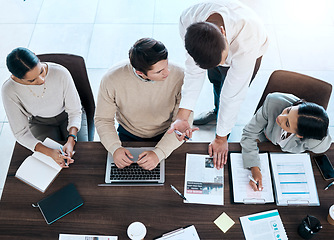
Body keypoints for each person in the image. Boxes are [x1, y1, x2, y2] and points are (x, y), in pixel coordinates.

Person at [168, 0, 269, 169]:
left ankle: (223, 126)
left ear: (223, 32)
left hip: (252, 50)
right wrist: (182, 116)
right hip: (216, 50)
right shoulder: (187, 20)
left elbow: (233, 95)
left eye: (221, 61)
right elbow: (193, 72)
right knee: (215, 81)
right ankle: (217, 112)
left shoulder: (247, 39)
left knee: (227, 91)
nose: (220, 66)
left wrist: (221, 138)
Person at [94, 38, 189, 170]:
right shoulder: (111, 79)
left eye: (166, 66)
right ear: (140, 72)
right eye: (159, 71)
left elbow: (183, 120)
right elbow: (103, 119)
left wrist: (159, 153)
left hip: (167, 132)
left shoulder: (181, 75)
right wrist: (115, 148)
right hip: (128, 133)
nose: (167, 72)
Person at [2, 47, 84, 168]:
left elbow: (75, 111)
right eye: (32, 80)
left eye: (41, 71)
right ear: (16, 76)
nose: (41, 80)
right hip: (40, 122)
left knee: (82, 157)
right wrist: (50, 152)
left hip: (68, 115)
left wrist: (71, 139)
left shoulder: (61, 72)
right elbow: (21, 133)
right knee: (52, 164)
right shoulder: (9, 90)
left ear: (36, 57)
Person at [241, 92, 332, 191]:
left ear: (300, 135)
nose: (280, 117)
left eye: (287, 123)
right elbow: (249, 133)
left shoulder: (318, 143)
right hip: (266, 141)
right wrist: (254, 167)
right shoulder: (273, 102)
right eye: (288, 111)